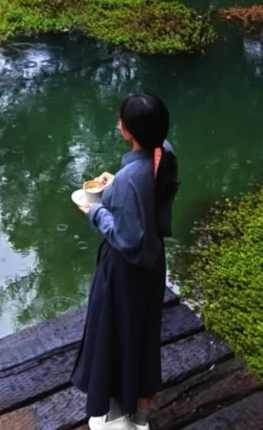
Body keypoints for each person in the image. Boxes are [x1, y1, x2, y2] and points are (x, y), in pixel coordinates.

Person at [72, 93, 180, 430]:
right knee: (144, 336)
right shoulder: (166, 153)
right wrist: (116, 185)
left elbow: (127, 238)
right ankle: (140, 417)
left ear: (126, 131)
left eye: (122, 120)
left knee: (115, 335)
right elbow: (146, 201)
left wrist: (95, 211)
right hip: (153, 263)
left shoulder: (131, 180)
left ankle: (117, 418)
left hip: (125, 271)